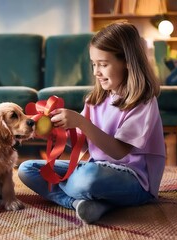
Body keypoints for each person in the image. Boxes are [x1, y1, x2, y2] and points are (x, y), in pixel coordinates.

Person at [18, 21, 166, 224]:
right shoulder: (95, 99)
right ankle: (82, 203)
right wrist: (55, 133)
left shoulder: (143, 101)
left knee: (86, 177)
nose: (96, 71)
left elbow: (118, 151)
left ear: (127, 62)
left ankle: (81, 195)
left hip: (135, 181)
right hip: (97, 170)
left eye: (103, 64)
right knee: (27, 170)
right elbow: (86, 143)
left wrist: (80, 122)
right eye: (94, 64)